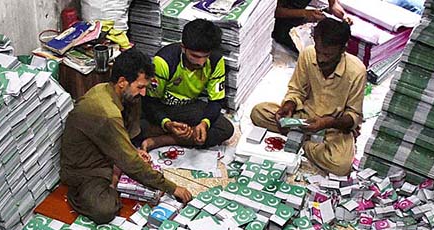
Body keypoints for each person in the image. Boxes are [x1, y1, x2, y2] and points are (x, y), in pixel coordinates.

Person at [60, 48, 193, 224]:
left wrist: (132, 150)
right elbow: (131, 163)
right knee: (104, 210)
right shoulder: (107, 113)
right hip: (85, 170)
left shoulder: (106, 89)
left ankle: (116, 171)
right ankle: (112, 178)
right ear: (122, 82)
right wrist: (172, 188)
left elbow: (119, 140)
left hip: (105, 154)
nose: (144, 93)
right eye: (140, 87)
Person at [250, 18, 365, 176]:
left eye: (328, 54)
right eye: (319, 51)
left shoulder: (357, 70)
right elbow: (296, 90)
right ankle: (307, 140)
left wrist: (327, 122)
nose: (321, 58)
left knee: (341, 166)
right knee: (258, 112)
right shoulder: (308, 54)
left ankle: (301, 142)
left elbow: (354, 116)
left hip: (333, 126)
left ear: (342, 49)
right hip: (303, 118)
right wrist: (288, 106)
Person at [141, 19, 234, 150]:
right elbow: (150, 102)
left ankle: (166, 139)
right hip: (163, 106)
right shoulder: (163, 62)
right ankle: (177, 132)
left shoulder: (216, 61)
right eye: (195, 56)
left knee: (226, 129)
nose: (201, 63)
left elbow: (216, 101)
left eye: (205, 56)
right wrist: (166, 123)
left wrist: (204, 123)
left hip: (188, 106)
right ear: (183, 48)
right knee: (135, 127)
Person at [272, 0, 352, 53]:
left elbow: (333, 5)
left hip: (301, 18)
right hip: (280, 23)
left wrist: (343, 16)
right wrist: (304, 13)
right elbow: (275, 11)